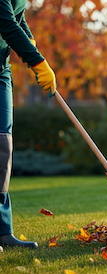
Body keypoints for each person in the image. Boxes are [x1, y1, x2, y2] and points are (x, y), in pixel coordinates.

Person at [0, 0, 56, 249]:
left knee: (2, 146)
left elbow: (17, 17)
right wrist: (37, 61)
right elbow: (5, 22)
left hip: (1, 70)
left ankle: (2, 230)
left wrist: (30, 42)